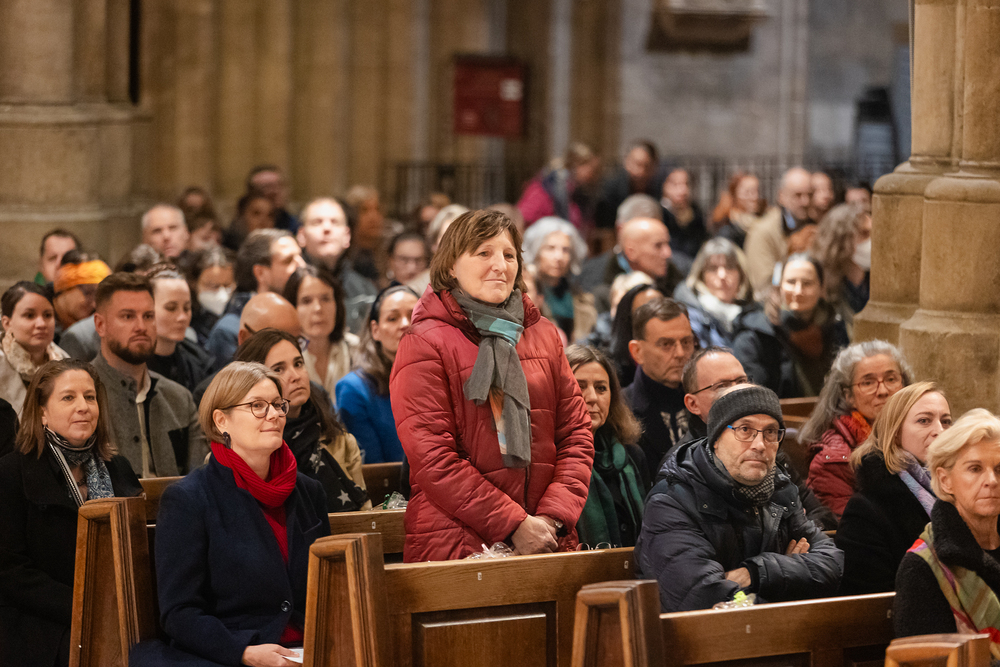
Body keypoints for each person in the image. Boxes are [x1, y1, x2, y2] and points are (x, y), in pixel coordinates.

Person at [390, 208, 594, 561]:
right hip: (459, 542)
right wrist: (514, 524)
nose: (500, 265)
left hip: (548, 538)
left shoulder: (543, 334)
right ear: (450, 266)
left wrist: (551, 518)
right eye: (484, 252)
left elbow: (576, 434)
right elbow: (434, 458)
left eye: (509, 255)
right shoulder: (424, 343)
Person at [130, 362, 330, 667]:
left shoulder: (308, 491)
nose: (274, 415)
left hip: (311, 648)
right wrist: (245, 651)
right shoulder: (189, 499)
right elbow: (179, 613)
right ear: (221, 420)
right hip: (234, 654)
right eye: (258, 406)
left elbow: (330, 586)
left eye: (278, 405)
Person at [634, 384, 843, 612]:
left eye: (771, 432)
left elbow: (833, 564)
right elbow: (709, 600)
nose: (760, 445)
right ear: (715, 438)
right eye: (745, 429)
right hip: (704, 634)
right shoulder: (672, 502)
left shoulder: (779, 489)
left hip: (772, 628)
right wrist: (789, 583)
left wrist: (756, 573)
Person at [0, 359, 142, 667]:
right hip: (40, 624)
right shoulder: (12, 472)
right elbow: (10, 571)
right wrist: (85, 608)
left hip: (119, 613)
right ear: (42, 412)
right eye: (68, 397)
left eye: (90, 397)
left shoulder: (118, 468)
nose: (83, 407)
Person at [676, 348, 836, 529]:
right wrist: (785, 535)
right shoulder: (683, 467)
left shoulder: (766, 446)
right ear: (693, 404)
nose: (737, 392)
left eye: (741, 381)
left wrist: (801, 532)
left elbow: (822, 515)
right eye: (722, 386)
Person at [894, 409, 1000, 650]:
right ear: (945, 480)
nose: (992, 480)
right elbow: (926, 662)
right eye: (975, 469)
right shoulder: (923, 566)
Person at [234, 329, 369, 510]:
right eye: (278, 369)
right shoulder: (239, 453)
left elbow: (364, 513)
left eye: (298, 364)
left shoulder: (340, 441)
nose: (296, 376)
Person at [836, 383, 951, 595]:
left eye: (946, 421)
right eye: (924, 421)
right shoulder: (866, 511)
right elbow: (869, 602)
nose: (940, 431)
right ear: (895, 432)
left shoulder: (967, 491)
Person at [91, 272, 207, 477]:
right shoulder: (81, 395)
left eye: (148, 316)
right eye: (128, 316)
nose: (141, 327)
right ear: (101, 325)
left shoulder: (179, 399)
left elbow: (200, 480)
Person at [801, 340, 912, 518]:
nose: (883, 391)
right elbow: (854, 527)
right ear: (848, 396)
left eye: (891, 379)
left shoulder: (919, 437)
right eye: (868, 383)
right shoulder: (833, 461)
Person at [732, 254, 849, 398]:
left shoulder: (835, 327)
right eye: (791, 282)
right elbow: (750, 397)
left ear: (821, 288)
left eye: (807, 283)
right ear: (779, 286)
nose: (798, 291)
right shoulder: (755, 334)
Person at [567, 345, 647, 548]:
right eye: (579, 386)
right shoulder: (548, 460)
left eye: (601, 388)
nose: (593, 397)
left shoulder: (632, 455)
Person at [336, 285, 417, 464]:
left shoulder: (442, 377)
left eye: (415, 316)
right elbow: (374, 471)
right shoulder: (354, 389)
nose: (405, 324)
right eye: (392, 318)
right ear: (375, 330)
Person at [205, 229, 306, 366]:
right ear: (260, 273)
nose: (302, 265)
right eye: (288, 261)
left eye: (300, 256)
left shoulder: (307, 313)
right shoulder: (228, 331)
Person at [624, 297, 696, 480]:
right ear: (637, 352)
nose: (680, 353)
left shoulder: (707, 399)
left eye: (686, 342)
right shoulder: (621, 409)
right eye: (666, 344)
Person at [295, 196, 379, 335]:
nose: (327, 228)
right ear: (301, 235)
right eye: (317, 222)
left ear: (347, 236)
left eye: (335, 222)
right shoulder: (287, 286)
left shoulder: (365, 291)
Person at [282, 265, 359, 403]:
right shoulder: (281, 358)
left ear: (337, 304)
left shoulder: (357, 349)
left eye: (325, 299)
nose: (318, 308)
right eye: (306, 301)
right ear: (291, 307)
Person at [521, 217, 597, 343]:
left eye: (565, 250)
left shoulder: (580, 296)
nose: (559, 257)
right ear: (535, 251)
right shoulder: (527, 293)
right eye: (550, 248)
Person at [744, 167, 816, 298]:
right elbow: (763, 285)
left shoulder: (818, 227)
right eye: (798, 195)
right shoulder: (763, 232)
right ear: (781, 196)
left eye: (809, 195)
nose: (805, 201)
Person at [0, 282, 69, 416]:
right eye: (29, 315)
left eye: (47, 315)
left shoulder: (64, 360)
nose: (41, 324)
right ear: (7, 323)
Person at [674, 237, 758, 348]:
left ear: (741, 274)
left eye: (729, 267)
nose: (722, 275)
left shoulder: (755, 314)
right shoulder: (690, 319)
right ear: (701, 276)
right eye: (713, 269)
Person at [146, 266, 216, 394]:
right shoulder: (129, 364)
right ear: (146, 310)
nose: (182, 317)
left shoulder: (201, 362)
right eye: (171, 308)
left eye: (187, 308)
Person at [811, 203, 872, 335]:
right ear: (842, 239)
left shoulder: (878, 283)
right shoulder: (821, 282)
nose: (872, 241)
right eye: (865, 234)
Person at [517, 141, 601, 232]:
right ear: (577, 165)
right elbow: (520, 219)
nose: (594, 175)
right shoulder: (545, 187)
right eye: (592, 169)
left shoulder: (577, 193)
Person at [595, 140, 663, 229]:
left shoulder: (660, 188)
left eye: (646, 166)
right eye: (637, 164)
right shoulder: (610, 189)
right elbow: (605, 228)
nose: (641, 172)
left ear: (654, 167)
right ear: (626, 161)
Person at [607, 282, 663, 387]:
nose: (656, 318)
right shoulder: (612, 367)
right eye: (646, 312)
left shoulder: (680, 351)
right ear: (628, 320)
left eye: (661, 310)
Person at [660, 168, 708, 275]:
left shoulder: (696, 213)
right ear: (665, 186)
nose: (683, 190)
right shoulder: (659, 214)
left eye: (686, 184)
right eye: (675, 184)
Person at [52, 253, 111, 337]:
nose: (94, 304)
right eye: (89, 292)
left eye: (101, 296)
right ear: (65, 290)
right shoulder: (42, 330)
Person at [713, 172, 766, 247]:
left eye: (757, 191)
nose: (755, 197)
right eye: (747, 192)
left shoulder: (765, 221)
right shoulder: (726, 229)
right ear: (735, 194)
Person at [247, 164, 298, 232]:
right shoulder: (237, 233)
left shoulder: (297, 226)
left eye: (279, 185)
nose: (274, 192)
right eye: (266, 187)